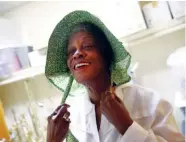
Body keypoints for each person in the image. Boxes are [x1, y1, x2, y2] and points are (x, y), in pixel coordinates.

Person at [45, 10, 185, 142]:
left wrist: (127, 126)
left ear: (106, 55)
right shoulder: (74, 120)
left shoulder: (149, 103)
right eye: (71, 51)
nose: (77, 54)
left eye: (87, 46)